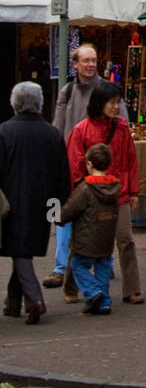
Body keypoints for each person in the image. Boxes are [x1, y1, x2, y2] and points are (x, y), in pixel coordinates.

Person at [46, 42, 124, 290]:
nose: (90, 65)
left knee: (102, 219)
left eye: (93, 61)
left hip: (102, 166)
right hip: (73, 165)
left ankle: (103, 262)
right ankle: (62, 267)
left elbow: (122, 125)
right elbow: (58, 130)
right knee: (65, 217)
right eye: (86, 61)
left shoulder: (106, 89)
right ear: (75, 64)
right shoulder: (67, 91)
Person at [64, 81, 144, 305]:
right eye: (112, 102)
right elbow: (75, 165)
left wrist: (134, 191)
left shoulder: (121, 127)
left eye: (118, 102)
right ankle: (71, 286)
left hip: (120, 193)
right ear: (100, 103)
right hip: (93, 197)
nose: (116, 107)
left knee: (125, 240)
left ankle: (132, 289)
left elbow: (130, 159)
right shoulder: (81, 130)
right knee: (84, 242)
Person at [0, 83, 70, 324]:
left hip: (11, 204)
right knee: (23, 251)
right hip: (42, 204)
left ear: (15, 103)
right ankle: (12, 303)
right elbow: (63, 175)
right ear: (39, 103)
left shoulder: (4, 132)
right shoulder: (53, 133)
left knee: (19, 251)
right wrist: (56, 205)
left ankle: (35, 300)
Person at [59, 142, 120, 315]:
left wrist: (57, 217)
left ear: (89, 164)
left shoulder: (85, 188)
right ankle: (104, 302)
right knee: (102, 267)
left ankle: (94, 292)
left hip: (86, 238)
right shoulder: (115, 186)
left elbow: (70, 209)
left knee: (78, 265)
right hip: (106, 238)